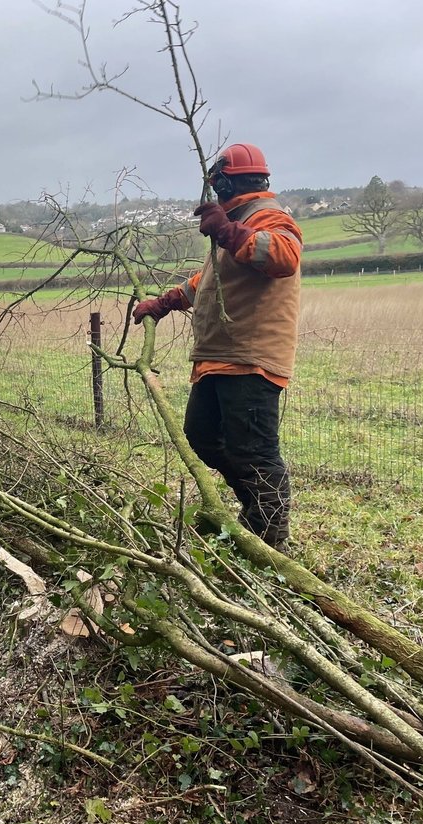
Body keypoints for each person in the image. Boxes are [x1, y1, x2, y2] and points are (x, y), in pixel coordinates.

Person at [132, 142, 302, 550]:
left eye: (216, 186)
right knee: (203, 436)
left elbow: (284, 256)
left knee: (255, 453)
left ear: (225, 184)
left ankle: (270, 539)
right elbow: (205, 281)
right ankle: (255, 511)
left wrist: (229, 230)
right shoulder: (236, 227)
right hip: (219, 358)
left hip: (250, 357)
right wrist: (164, 303)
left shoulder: (268, 217)